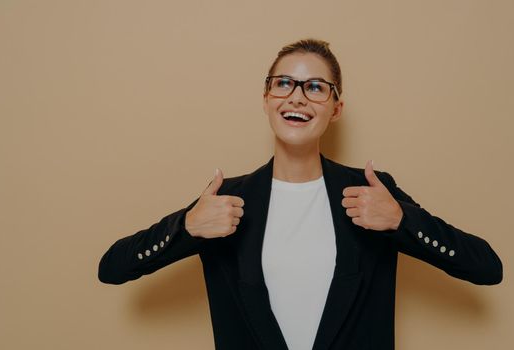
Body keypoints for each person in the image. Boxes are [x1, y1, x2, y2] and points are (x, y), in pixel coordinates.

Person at [98, 39, 503, 350]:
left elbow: (487, 267)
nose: (297, 96)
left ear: (336, 108)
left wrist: (402, 221)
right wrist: (187, 226)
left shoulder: (372, 192)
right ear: (266, 98)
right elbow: (112, 267)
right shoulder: (227, 198)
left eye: (315, 87)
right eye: (284, 84)